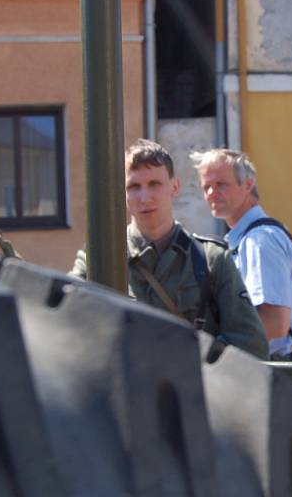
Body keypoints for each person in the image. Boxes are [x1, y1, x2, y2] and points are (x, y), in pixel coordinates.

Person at [69, 139, 268, 360]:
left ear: (174, 187)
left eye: (154, 184)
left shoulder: (211, 259)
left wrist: (192, 358)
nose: (145, 197)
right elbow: (66, 324)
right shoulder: (99, 257)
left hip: (190, 390)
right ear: (122, 193)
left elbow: (251, 344)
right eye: (134, 187)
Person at [191, 149, 292, 360]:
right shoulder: (250, 238)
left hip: (273, 371)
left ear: (248, 184)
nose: (211, 193)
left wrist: (215, 349)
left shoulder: (259, 241)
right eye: (206, 187)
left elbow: (275, 323)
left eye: (221, 184)